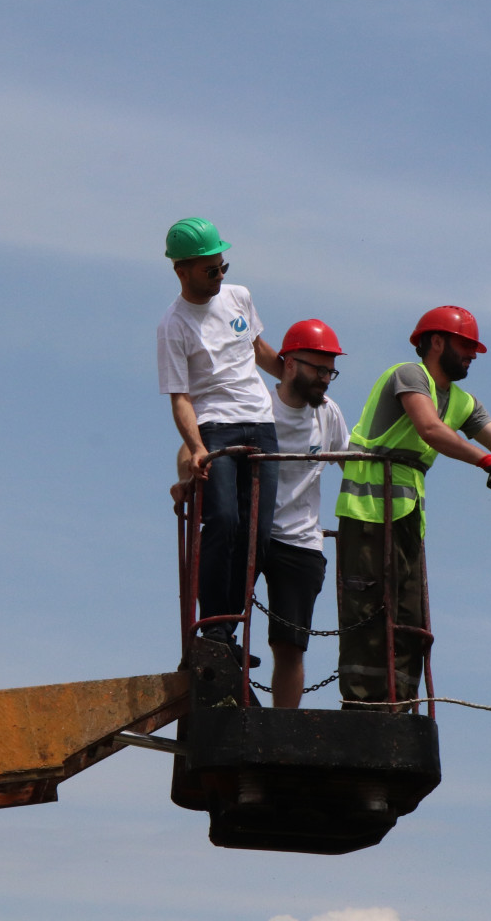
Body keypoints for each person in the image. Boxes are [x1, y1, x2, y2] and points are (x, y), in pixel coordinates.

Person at [334, 305, 491, 710]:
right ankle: (362, 709)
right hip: (365, 511)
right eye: (465, 345)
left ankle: (400, 707)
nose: (472, 355)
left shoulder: (463, 401)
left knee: (409, 619)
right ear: (436, 342)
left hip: (407, 515)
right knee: (368, 612)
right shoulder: (410, 376)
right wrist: (483, 461)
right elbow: (429, 429)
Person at [171, 318, 350, 707]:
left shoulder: (328, 414)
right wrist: (188, 472)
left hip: (300, 541)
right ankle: (224, 705)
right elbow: (193, 446)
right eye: (317, 368)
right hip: (248, 532)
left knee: (289, 647)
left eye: (330, 370)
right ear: (287, 364)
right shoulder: (255, 405)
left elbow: (353, 467)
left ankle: (281, 731)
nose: (325, 378)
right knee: (224, 629)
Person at [157, 218, 282, 659]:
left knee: (258, 535)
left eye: (222, 266)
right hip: (215, 426)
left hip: (261, 423)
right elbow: (181, 398)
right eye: (211, 270)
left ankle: (228, 628)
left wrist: (295, 376)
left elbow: (258, 350)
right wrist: (196, 449)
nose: (220, 276)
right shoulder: (173, 326)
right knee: (224, 521)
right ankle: (212, 630)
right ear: (182, 271)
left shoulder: (238, 297)